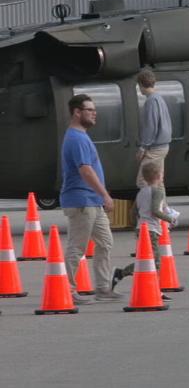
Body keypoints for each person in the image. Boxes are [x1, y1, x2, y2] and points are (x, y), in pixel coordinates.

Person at [61, 94, 121, 304]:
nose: (95, 113)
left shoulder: (81, 136)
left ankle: (103, 288)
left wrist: (100, 196)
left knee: (105, 242)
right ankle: (67, 290)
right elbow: (85, 170)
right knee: (77, 247)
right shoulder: (76, 138)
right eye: (90, 110)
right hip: (81, 200)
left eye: (95, 110)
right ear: (77, 112)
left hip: (92, 200)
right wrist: (105, 194)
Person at [111, 161, 178, 301]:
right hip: (152, 230)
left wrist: (137, 225)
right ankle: (152, 288)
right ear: (159, 175)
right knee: (155, 262)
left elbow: (133, 211)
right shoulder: (158, 191)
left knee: (146, 260)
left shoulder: (141, 192)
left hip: (141, 228)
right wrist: (170, 219)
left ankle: (122, 274)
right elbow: (155, 210)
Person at [135, 69, 172, 188]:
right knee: (158, 181)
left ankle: (151, 201)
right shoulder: (159, 99)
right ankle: (161, 201)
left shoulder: (151, 101)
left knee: (143, 181)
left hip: (155, 148)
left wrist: (143, 148)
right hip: (163, 146)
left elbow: (151, 127)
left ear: (141, 84)